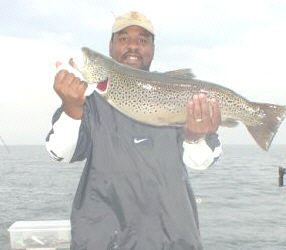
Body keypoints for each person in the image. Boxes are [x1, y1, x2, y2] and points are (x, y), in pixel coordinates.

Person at [46, 11, 222, 250]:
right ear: (110, 46)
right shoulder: (88, 102)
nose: (132, 46)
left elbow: (202, 162)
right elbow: (61, 153)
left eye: (142, 40)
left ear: (153, 48)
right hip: (104, 241)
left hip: (173, 240)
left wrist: (194, 137)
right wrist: (71, 109)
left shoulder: (179, 96)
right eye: (123, 38)